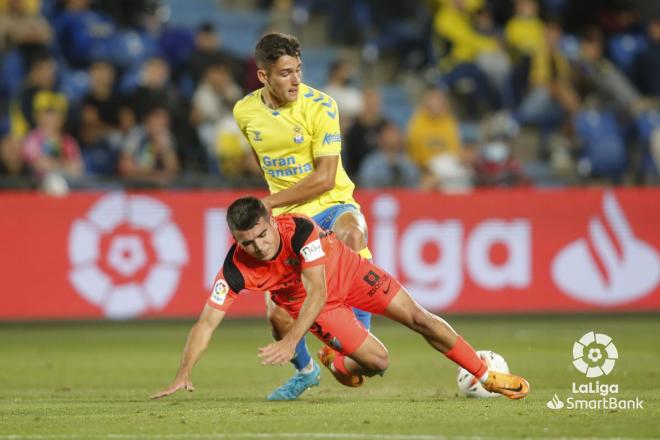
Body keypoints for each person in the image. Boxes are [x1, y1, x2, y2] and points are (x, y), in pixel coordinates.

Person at [151, 197, 530, 401]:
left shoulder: (298, 229)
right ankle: (335, 361)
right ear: (236, 239)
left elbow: (318, 286)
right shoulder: (235, 268)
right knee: (379, 363)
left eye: (262, 236)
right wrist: (183, 373)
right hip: (320, 308)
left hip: (348, 275)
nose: (258, 247)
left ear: (270, 221)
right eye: (247, 242)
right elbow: (206, 322)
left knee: (419, 318)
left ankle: (487, 375)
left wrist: (290, 340)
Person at [232, 32, 373, 401]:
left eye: (298, 70)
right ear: (263, 76)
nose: (296, 80)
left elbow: (325, 177)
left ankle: (352, 342)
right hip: (288, 220)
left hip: (331, 204)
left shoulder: (323, 106)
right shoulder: (244, 112)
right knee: (277, 317)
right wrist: (275, 208)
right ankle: (307, 371)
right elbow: (264, 156)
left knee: (352, 232)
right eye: (285, 73)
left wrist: (268, 201)